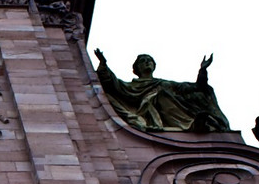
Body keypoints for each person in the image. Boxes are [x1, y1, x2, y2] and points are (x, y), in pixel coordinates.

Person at [94, 51, 230, 133]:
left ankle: (193, 124)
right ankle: (190, 125)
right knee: (160, 95)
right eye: (143, 61)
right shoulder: (132, 85)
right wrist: (103, 64)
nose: (147, 63)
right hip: (146, 111)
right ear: (137, 68)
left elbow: (193, 87)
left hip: (173, 109)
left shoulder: (164, 83)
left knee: (196, 94)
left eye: (149, 61)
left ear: (153, 65)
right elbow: (115, 84)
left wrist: (203, 70)